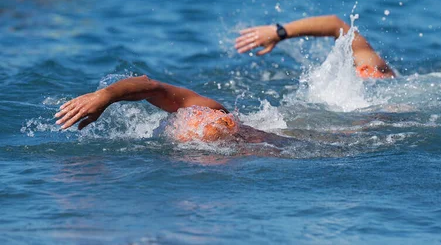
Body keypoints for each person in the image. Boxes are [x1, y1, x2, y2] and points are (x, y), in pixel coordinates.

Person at [54, 75, 282, 144]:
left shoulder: (223, 122)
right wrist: (106, 96)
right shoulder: (208, 110)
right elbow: (152, 86)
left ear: (230, 123)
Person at [234, 15, 396, 79]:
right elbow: (336, 25)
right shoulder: (364, 66)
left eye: (367, 70)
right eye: (361, 69)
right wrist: (280, 32)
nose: (362, 71)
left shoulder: (386, 76)